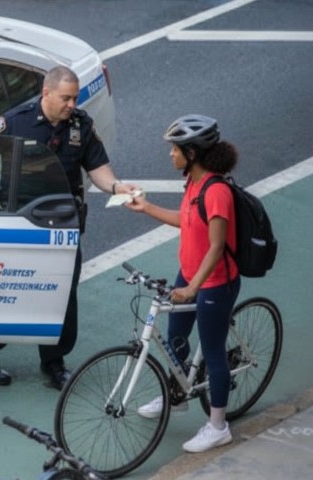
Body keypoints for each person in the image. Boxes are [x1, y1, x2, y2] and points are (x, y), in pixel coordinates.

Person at [0, 65, 137, 389]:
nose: (72, 104)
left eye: (75, 98)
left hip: (61, 223)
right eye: (66, 98)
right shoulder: (17, 120)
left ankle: (54, 363)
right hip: (20, 222)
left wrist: (116, 187)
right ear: (47, 94)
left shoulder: (80, 126)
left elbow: (98, 167)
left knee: (62, 294)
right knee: (4, 289)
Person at [125, 114, 241, 453]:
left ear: (192, 152)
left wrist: (193, 289)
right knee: (176, 336)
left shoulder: (217, 191)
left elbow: (217, 246)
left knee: (214, 352)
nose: (170, 154)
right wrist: (146, 207)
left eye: (175, 149)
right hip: (188, 274)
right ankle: (176, 397)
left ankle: (218, 425)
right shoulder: (192, 182)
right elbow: (187, 221)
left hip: (214, 283)